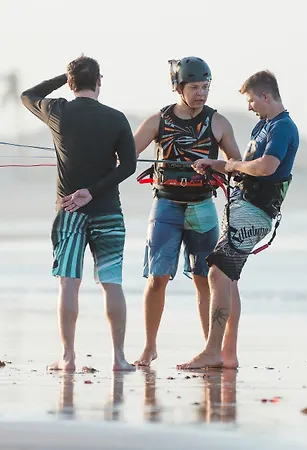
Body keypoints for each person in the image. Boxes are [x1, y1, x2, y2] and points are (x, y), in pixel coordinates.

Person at [21, 55, 137, 371]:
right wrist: (93, 192)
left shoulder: (57, 110)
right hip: (108, 211)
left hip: (69, 212)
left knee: (69, 283)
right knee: (111, 282)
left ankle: (68, 357)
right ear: (99, 81)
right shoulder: (116, 118)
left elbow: (28, 95)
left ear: (71, 83)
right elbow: (128, 166)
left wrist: (65, 77)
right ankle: (119, 358)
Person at [178, 70, 299, 369]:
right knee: (228, 279)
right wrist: (216, 164)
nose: (249, 107)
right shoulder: (263, 126)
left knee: (217, 273)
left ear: (266, 96)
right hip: (241, 207)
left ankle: (213, 351)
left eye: (251, 100)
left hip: (255, 212)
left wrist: (232, 165)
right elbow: (245, 166)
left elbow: (266, 167)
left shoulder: (282, 127)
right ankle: (228, 355)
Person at [133, 57, 242, 368]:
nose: (201, 93)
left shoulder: (218, 123)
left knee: (205, 279)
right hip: (165, 205)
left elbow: (236, 166)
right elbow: (127, 154)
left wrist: (222, 167)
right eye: (194, 87)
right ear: (178, 87)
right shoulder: (158, 120)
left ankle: (211, 348)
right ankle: (149, 347)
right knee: (157, 278)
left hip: (203, 206)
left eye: (205, 87)